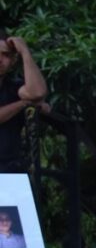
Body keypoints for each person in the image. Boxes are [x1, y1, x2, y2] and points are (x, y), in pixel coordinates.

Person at [0, 30, 48, 173]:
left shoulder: (14, 87)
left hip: (10, 169)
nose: (0, 59)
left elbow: (37, 92)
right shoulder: (21, 99)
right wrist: (23, 103)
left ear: (13, 60)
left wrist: (25, 51)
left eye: (6, 55)